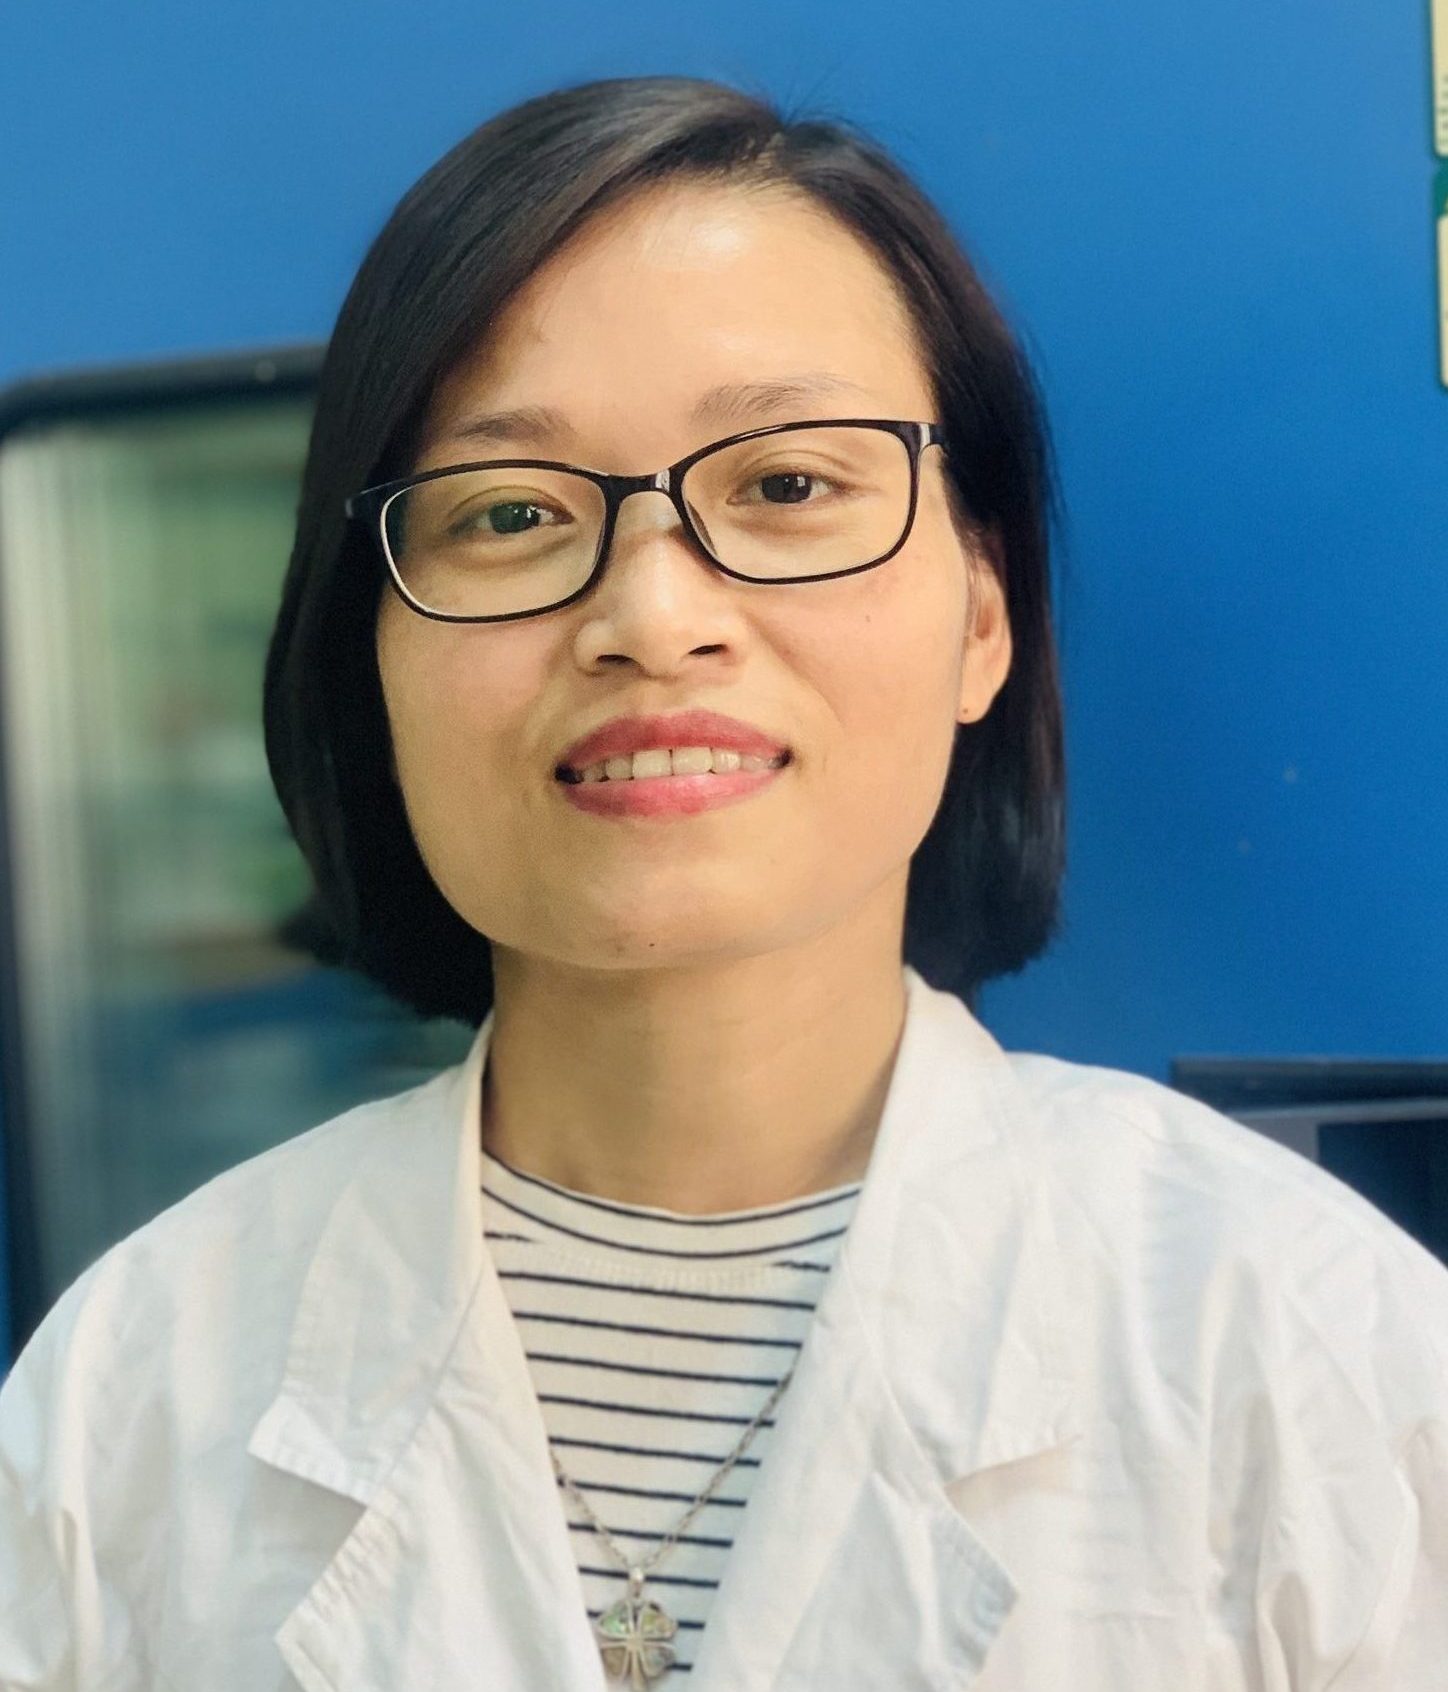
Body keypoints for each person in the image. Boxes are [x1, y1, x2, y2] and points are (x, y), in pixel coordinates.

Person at [1, 74, 1445, 1692]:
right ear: (372, 665)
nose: (653, 617)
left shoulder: (1308, 1349)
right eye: (510, 513)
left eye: (786, 486)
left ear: (982, 620)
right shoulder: (130, 1396)